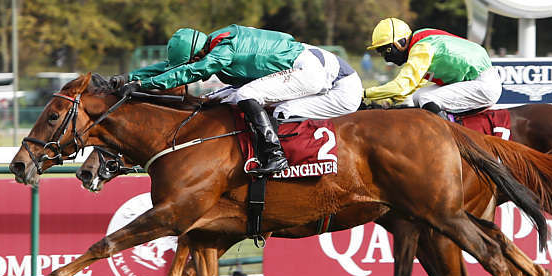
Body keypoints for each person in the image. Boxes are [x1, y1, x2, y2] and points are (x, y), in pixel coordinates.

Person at [110, 25, 363, 175]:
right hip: (312, 66)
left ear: (196, 54)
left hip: (320, 75)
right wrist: (127, 78)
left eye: (192, 61)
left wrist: (143, 85)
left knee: (247, 96)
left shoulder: (223, 50)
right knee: (218, 98)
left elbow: (192, 71)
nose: (192, 64)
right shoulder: (214, 43)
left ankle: (276, 156)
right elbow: (172, 67)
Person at [363, 18, 502, 118]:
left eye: (386, 50)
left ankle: (449, 140)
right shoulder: (420, 38)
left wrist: (364, 93)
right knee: (417, 97)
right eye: (380, 52)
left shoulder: (421, 48)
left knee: (427, 98)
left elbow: (401, 86)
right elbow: (414, 85)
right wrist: (390, 101)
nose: (385, 57)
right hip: (476, 81)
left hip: (483, 85)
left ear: (401, 42)